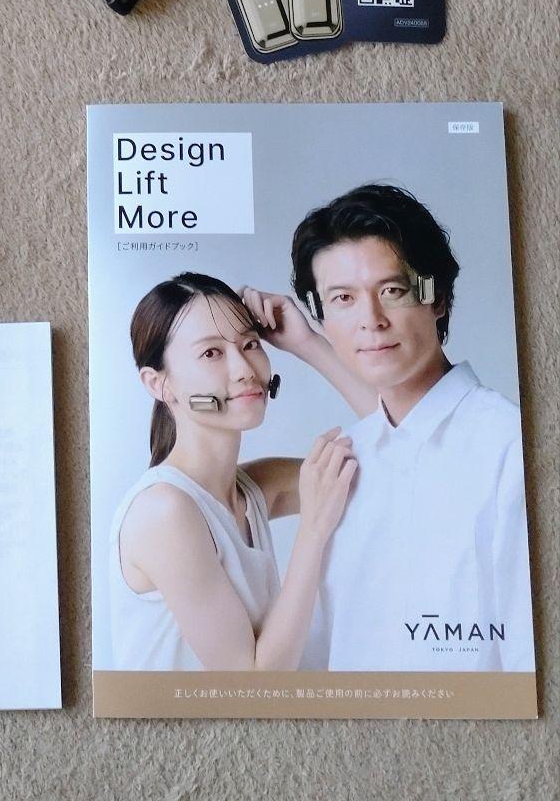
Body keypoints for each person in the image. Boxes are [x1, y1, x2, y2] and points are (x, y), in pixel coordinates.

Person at [241, 183, 535, 672]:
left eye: (392, 291)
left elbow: (530, 663)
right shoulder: (350, 458)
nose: (370, 320)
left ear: (438, 298)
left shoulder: (507, 446)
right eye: (342, 298)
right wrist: (308, 344)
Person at [110, 273, 358, 671]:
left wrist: (308, 343)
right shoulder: (164, 511)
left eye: (250, 344)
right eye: (212, 353)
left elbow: (399, 448)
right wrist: (314, 529)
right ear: (159, 384)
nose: (244, 369)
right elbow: (249, 688)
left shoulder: (255, 488)